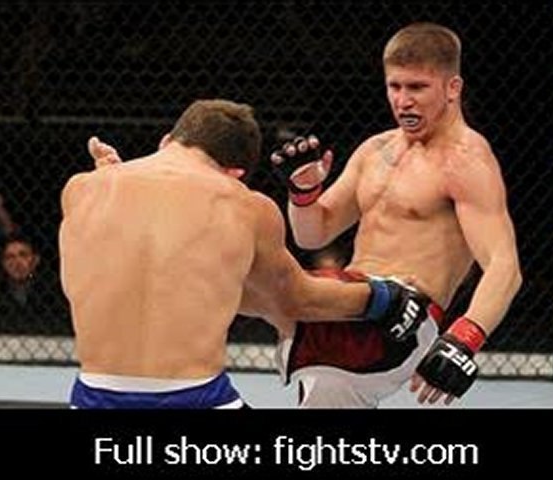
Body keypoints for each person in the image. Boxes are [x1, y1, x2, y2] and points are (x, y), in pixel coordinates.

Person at [62, 98, 433, 409]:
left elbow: (147, 270)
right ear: (236, 173)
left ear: (167, 140)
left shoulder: (82, 190)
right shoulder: (244, 206)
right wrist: (384, 297)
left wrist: (109, 175)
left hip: (91, 398)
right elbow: (295, 301)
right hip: (195, 399)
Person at [270, 22, 522, 407]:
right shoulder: (375, 151)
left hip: (404, 316)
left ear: (452, 88)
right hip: (348, 300)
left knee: (270, 284)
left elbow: (504, 266)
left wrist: (464, 338)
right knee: (259, 276)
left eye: (417, 87)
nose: (403, 101)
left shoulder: (465, 161)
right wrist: (303, 194)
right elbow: (313, 234)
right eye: (395, 86)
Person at [0, 233, 70, 335]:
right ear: (3, 263)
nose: (17, 262)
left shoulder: (52, 291)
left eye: (23, 255)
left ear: (35, 260)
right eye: (9, 257)